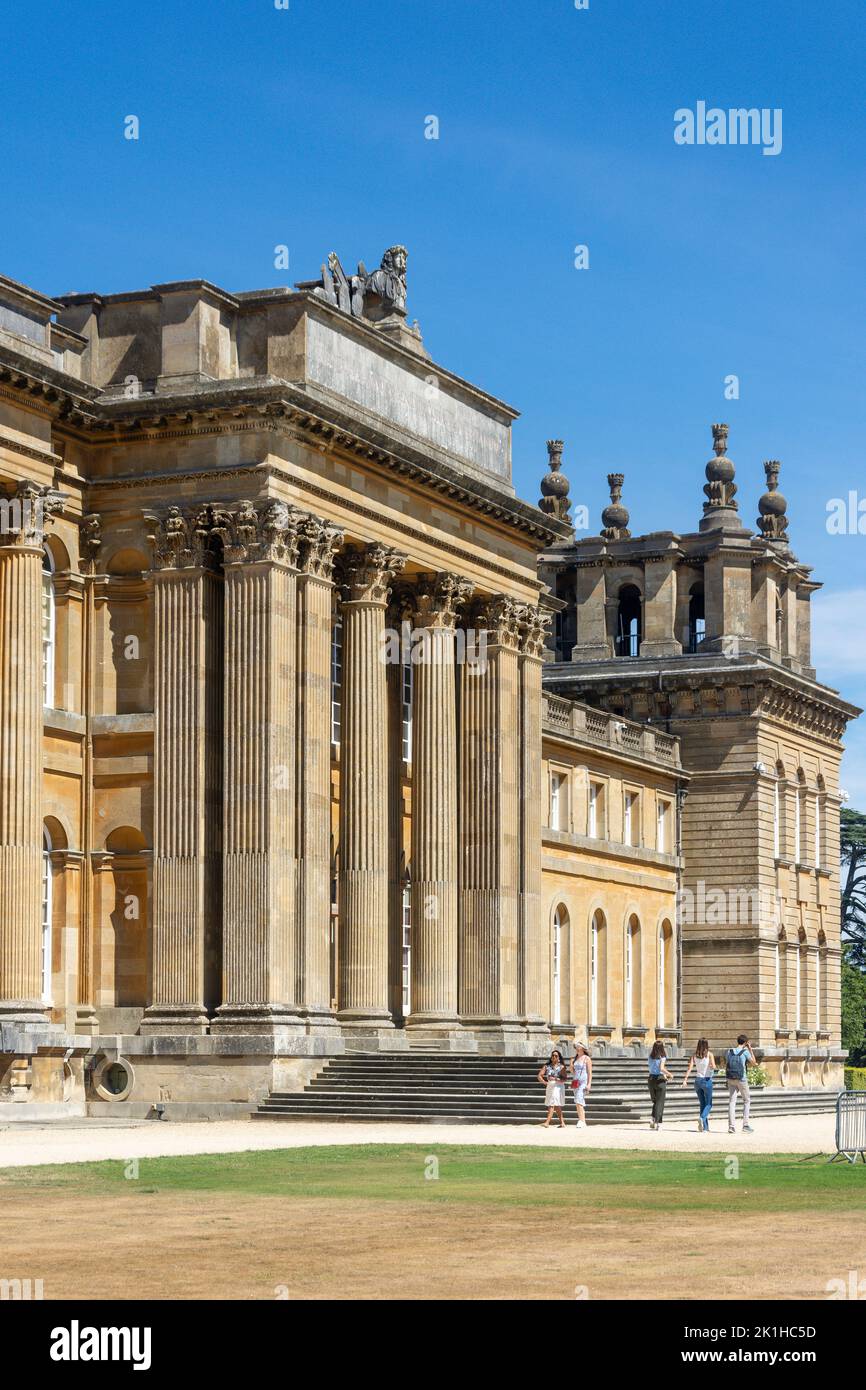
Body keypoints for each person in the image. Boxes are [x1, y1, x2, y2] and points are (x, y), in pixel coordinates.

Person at [682, 1038, 715, 1132]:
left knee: (702, 1104)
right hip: (707, 1080)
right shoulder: (709, 1054)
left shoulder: (694, 1055)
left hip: (697, 1081)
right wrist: (711, 1066)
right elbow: (714, 1066)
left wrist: (685, 1080)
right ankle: (702, 1117)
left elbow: (690, 1068)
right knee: (709, 1104)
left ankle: (705, 1128)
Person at [725, 1034, 756, 1133]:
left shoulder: (729, 1051)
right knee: (746, 1101)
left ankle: (731, 1126)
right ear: (746, 1043)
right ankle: (745, 1125)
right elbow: (754, 1063)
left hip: (731, 1078)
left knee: (732, 1101)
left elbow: (727, 1063)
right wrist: (750, 1049)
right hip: (741, 1078)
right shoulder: (745, 1052)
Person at [647, 1041, 673, 1129]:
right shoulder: (662, 1057)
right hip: (659, 1080)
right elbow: (661, 1068)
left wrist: (664, 1075)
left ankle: (652, 1118)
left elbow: (652, 1068)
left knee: (655, 1101)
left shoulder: (650, 1057)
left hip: (651, 1079)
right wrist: (670, 1074)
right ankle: (658, 1123)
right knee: (660, 1102)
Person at [538, 1049, 567, 1128]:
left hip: (558, 1086)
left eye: (556, 1056)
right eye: (553, 1055)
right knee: (556, 1104)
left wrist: (558, 1079)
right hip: (550, 1086)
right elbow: (539, 1075)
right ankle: (562, 1123)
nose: (554, 1057)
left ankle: (547, 1122)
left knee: (552, 1102)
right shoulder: (547, 1066)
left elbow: (565, 1079)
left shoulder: (562, 1067)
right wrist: (545, 1082)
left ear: (559, 1058)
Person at [570, 1044, 592, 1128]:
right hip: (576, 1081)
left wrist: (589, 1084)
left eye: (578, 1046)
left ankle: (581, 1120)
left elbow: (590, 1072)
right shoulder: (574, 1058)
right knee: (577, 1101)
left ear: (582, 1048)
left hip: (583, 1081)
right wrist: (571, 1063)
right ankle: (582, 1120)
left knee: (579, 1099)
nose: (576, 1048)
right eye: (576, 1046)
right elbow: (572, 1072)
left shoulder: (587, 1058)